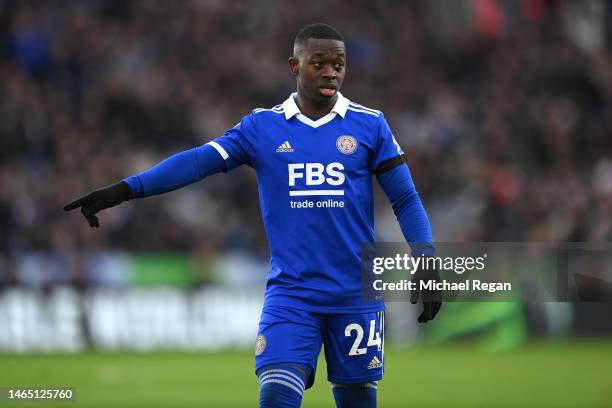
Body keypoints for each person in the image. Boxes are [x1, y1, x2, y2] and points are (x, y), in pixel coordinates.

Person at [64, 23, 441, 408]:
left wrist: (426, 257)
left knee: (357, 401)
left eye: (339, 64)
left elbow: (406, 199)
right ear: (295, 66)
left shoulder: (370, 124)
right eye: (319, 62)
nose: (331, 72)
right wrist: (125, 189)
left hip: (355, 296)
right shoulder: (263, 127)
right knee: (276, 393)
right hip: (292, 295)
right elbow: (198, 161)